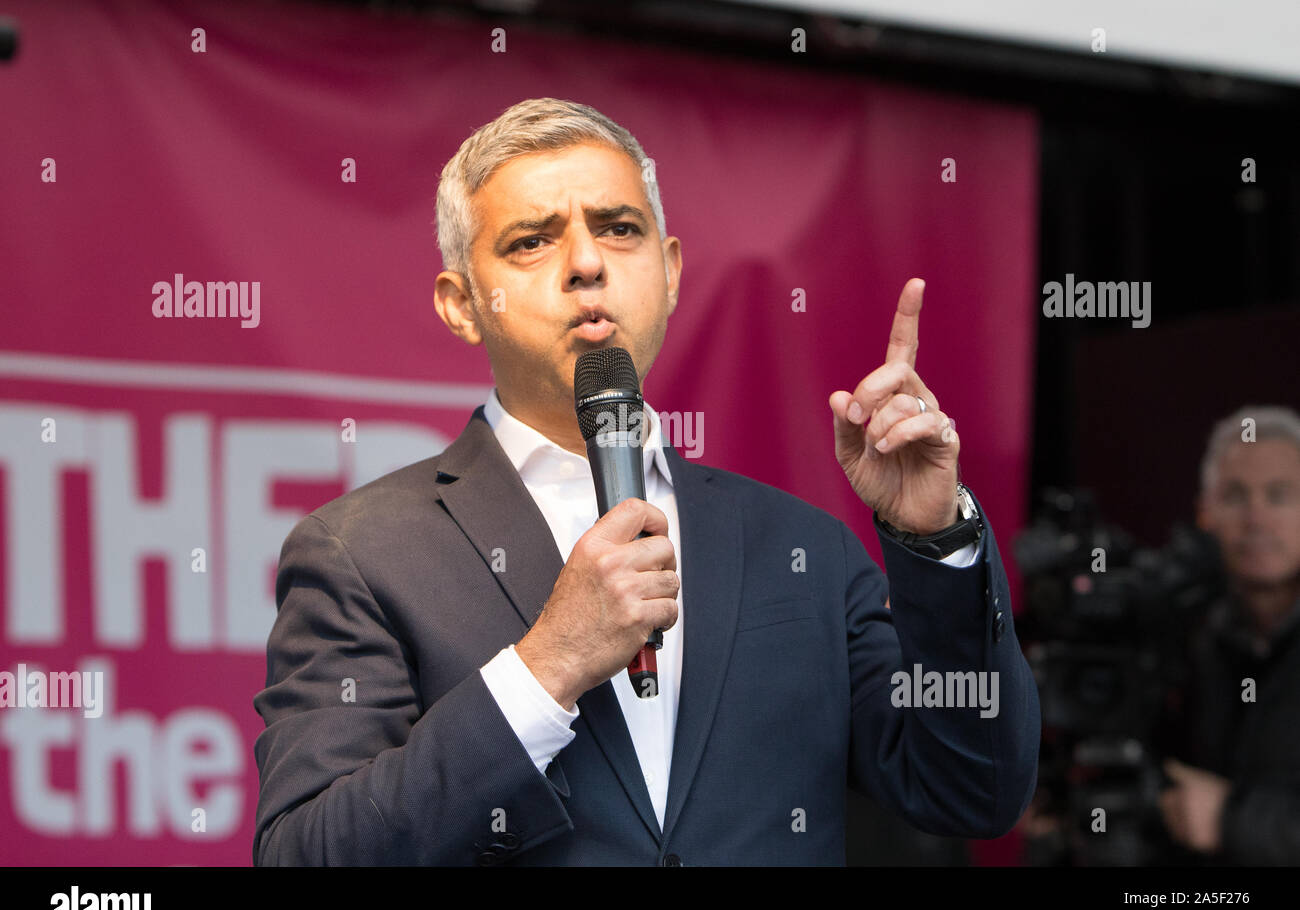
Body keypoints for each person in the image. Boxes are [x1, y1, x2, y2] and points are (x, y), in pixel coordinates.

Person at [252, 98, 1039, 866]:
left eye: (619, 229)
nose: (588, 263)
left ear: (668, 273)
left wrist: (936, 540)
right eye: (532, 241)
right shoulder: (363, 553)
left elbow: (973, 791)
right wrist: (547, 667)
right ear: (462, 305)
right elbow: (309, 850)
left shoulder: (802, 549)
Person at [1159, 405, 1300, 864]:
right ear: (1205, 512)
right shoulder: (1188, 638)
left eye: (1279, 495)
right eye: (1236, 496)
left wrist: (1230, 821)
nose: (1256, 519)